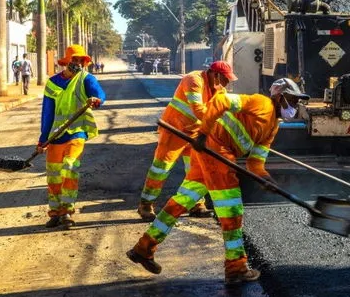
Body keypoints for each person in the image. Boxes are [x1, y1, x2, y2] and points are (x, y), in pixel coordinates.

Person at [127, 78, 307, 286]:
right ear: (278, 96)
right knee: (232, 211)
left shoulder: (272, 128)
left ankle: (144, 248)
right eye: (291, 101)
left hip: (211, 154)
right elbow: (220, 102)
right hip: (215, 151)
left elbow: (255, 162)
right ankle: (236, 267)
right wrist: (203, 134)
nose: (293, 107)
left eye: (296, 103)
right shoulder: (261, 103)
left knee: (183, 200)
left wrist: (265, 178)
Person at [136, 61, 237, 221]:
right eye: (225, 79)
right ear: (215, 74)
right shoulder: (193, 80)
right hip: (175, 130)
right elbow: (198, 110)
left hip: (195, 134)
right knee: (160, 169)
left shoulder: (220, 90)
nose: (226, 83)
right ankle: (146, 205)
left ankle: (196, 205)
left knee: (197, 171)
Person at [37, 44, 105, 229]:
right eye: (74, 60)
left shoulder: (86, 78)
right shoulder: (52, 83)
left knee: (70, 168)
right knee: (53, 176)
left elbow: (99, 94)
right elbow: (47, 113)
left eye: (81, 60)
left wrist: (97, 100)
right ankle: (55, 213)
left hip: (76, 132)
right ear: (66, 61)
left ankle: (67, 211)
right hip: (55, 136)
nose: (78, 63)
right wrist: (43, 139)